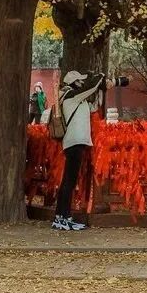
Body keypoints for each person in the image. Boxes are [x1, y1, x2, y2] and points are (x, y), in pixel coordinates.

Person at [51, 70, 104, 232]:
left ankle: (60, 217)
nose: (82, 83)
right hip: (74, 142)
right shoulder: (70, 96)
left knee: (68, 181)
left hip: (77, 143)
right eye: (80, 81)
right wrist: (100, 78)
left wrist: (101, 90)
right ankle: (65, 217)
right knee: (69, 181)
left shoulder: (78, 99)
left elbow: (94, 107)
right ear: (73, 83)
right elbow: (90, 88)